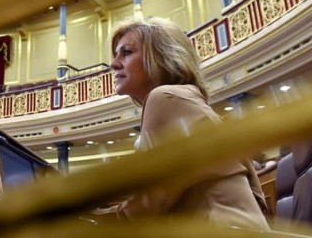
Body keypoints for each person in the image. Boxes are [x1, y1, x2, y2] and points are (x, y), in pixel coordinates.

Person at [93, 17, 269, 230]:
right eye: (116, 54)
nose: (113, 63)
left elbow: (147, 205)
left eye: (127, 52)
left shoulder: (166, 97)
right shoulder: (181, 100)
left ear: (160, 57)